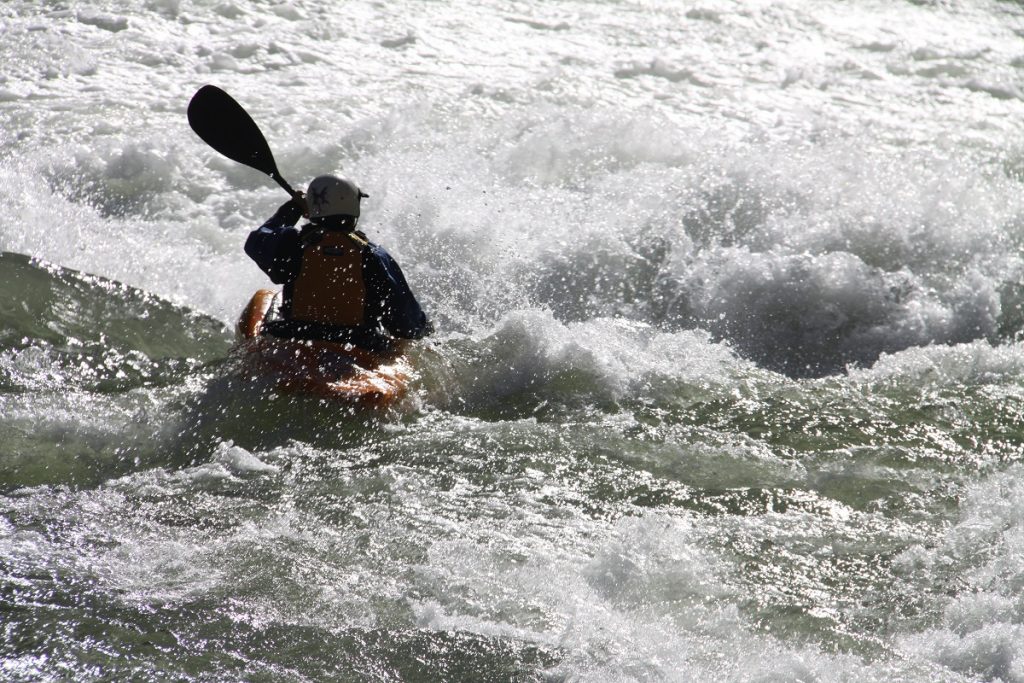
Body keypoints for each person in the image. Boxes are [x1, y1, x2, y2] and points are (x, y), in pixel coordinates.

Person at [244, 174, 432, 353]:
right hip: (357, 345)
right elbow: (406, 324)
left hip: (295, 337)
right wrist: (423, 329)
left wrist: (292, 209)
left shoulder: (292, 245)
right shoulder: (373, 255)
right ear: (353, 208)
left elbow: (256, 241)